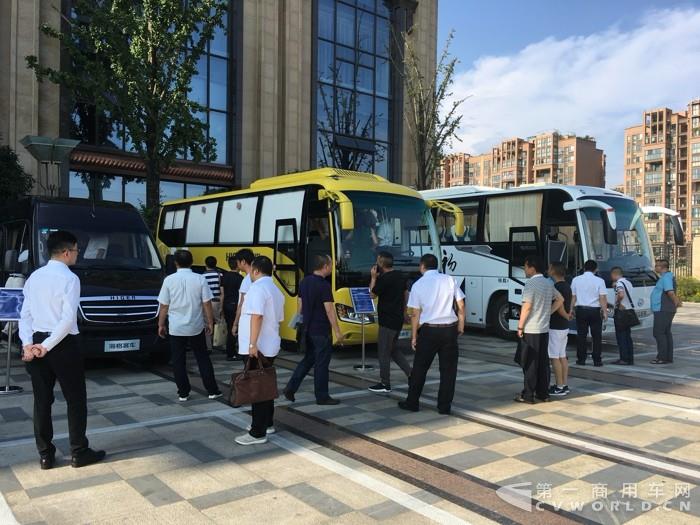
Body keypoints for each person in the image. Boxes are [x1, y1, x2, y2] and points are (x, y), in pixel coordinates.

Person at [19, 230, 106, 470]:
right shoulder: (70, 279)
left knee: (42, 401)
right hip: (63, 345)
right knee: (75, 399)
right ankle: (79, 451)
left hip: (36, 341)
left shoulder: (34, 277)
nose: (77, 255)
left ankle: (45, 454)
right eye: (77, 251)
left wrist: (29, 344)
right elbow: (67, 320)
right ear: (67, 252)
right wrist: (44, 347)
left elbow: (24, 315)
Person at [398, 253, 465, 415]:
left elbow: (415, 314)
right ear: (437, 265)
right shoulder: (450, 279)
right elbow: (460, 305)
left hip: (428, 331)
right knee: (449, 370)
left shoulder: (418, 285)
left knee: (420, 368)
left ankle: (412, 402)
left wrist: (414, 336)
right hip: (449, 329)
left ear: (422, 266)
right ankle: (444, 406)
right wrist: (461, 326)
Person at [157, 249, 222, 402]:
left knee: (178, 360)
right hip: (196, 326)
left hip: (176, 327)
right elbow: (207, 303)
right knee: (202, 358)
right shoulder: (200, 279)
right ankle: (212, 390)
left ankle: (183, 393)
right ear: (191, 262)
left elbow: (164, 306)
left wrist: (160, 324)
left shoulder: (169, 280)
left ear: (175, 263)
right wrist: (210, 322)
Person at [235, 256, 285, 445]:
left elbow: (257, 317)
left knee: (257, 389)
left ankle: (257, 432)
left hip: (258, 348)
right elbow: (277, 318)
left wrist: (252, 344)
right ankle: (267, 423)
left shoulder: (257, 288)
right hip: (270, 345)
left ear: (255, 271)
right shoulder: (275, 290)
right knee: (265, 385)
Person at [284, 254, 345, 405]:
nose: (332, 267)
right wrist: (337, 331)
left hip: (307, 328)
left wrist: (300, 323)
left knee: (308, 360)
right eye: (331, 265)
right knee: (322, 364)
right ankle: (322, 396)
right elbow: (329, 310)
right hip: (321, 330)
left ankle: (291, 388)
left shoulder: (304, 282)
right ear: (325, 267)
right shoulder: (324, 286)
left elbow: (300, 305)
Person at [515, 256, 564, 404]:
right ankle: (543, 393)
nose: (524, 270)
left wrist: (520, 326)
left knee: (530, 362)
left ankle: (528, 395)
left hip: (531, 329)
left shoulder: (531, 283)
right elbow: (560, 299)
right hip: (544, 329)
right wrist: (548, 312)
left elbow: (527, 306)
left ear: (532, 267)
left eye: (525, 267)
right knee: (543, 362)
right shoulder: (548, 283)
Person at [368, 252, 412, 393]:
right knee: (393, 349)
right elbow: (406, 293)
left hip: (387, 321)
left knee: (383, 352)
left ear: (381, 263)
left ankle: (385, 383)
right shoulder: (400, 276)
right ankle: (412, 375)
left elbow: (372, 294)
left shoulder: (384, 279)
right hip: (398, 318)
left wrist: (373, 278)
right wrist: (405, 311)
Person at [571, 260, 608, 366]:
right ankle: (597, 360)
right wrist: (605, 312)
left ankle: (581, 359)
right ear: (595, 269)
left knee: (581, 335)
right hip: (595, 311)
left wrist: (571, 310)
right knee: (596, 336)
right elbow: (602, 297)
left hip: (581, 310)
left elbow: (573, 297)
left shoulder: (576, 280)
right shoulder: (600, 281)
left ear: (584, 268)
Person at [547, 262, 572, 397]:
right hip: (563, 327)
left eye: (550, 268)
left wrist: (550, 313)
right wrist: (568, 315)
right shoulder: (567, 286)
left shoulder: (556, 287)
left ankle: (559, 386)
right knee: (562, 355)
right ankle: (564, 384)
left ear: (553, 271)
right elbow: (570, 302)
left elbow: (560, 305)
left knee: (554, 357)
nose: (548, 270)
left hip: (556, 325)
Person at [651, 259, 681, 364]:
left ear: (662, 267)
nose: (655, 268)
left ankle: (662, 357)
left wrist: (676, 302)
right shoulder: (666, 277)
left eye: (656, 266)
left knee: (658, 333)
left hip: (663, 309)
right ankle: (667, 357)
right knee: (666, 333)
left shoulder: (666, 277)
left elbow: (670, 292)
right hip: (665, 309)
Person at [611, 266, 635, 365]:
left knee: (621, 336)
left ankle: (623, 358)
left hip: (621, 312)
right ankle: (630, 358)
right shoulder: (628, 282)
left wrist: (618, 303)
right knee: (627, 336)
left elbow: (621, 294)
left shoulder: (619, 283)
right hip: (629, 311)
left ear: (614, 274)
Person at [222, 256, 244, 361]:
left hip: (226, 305)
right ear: (238, 265)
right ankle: (231, 353)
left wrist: (221, 307)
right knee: (234, 329)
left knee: (229, 327)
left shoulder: (224, 276)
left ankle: (230, 351)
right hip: (236, 305)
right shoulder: (240, 278)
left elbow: (222, 293)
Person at [231, 249, 254, 338]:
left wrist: (235, 324)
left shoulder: (246, 280)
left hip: (246, 320)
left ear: (243, 262)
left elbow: (241, 304)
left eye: (238, 262)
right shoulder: (256, 277)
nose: (237, 264)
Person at [203, 256, 223, 350]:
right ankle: (219, 343)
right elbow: (222, 290)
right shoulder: (220, 275)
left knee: (207, 323)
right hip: (217, 301)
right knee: (219, 322)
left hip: (206, 301)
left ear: (206, 264)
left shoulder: (202, 276)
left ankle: (208, 346)